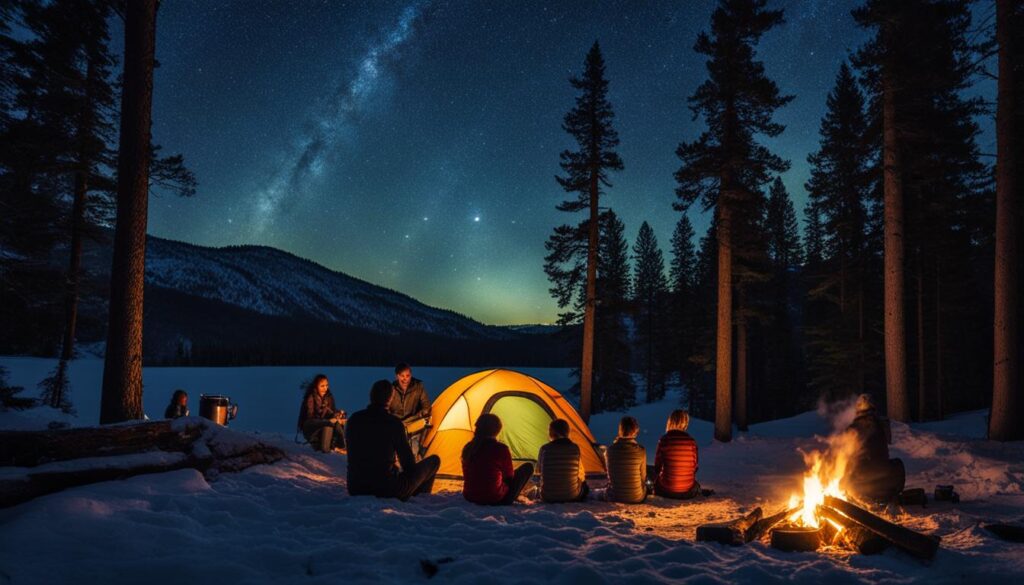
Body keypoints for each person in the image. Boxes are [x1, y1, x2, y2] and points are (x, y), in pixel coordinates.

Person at [345, 379, 441, 501]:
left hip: (355, 487)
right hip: (385, 488)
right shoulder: (393, 423)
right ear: (390, 399)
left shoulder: (354, 420)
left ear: (371, 396)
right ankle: (419, 499)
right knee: (434, 461)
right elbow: (409, 465)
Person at [461, 413, 534, 505]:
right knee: (528, 467)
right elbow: (509, 476)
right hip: (495, 498)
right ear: (497, 430)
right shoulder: (501, 448)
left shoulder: (468, 447)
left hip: (470, 496)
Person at [846, 393, 905, 502]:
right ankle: (890, 492)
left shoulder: (851, 428)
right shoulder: (882, 424)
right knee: (898, 464)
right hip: (884, 476)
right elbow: (888, 441)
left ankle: (859, 493)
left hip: (860, 481)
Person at [653, 409, 701, 499]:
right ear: (686, 423)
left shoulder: (664, 440)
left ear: (670, 421)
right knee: (697, 485)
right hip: (687, 490)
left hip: (666, 490)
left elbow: (657, 467)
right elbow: (695, 467)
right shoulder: (692, 442)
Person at [537, 418, 589, 503]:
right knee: (585, 486)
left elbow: (538, 471)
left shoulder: (544, 448)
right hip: (572, 496)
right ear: (568, 432)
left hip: (547, 496)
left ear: (551, 432)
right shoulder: (575, 448)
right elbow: (580, 473)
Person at [390, 363, 432, 457]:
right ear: (397, 376)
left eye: (408, 376)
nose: (405, 379)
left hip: (414, 424)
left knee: (413, 449)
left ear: (411, 375)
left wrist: (420, 415)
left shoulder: (418, 387)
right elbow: (387, 408)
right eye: (402, 376)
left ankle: (414, 462)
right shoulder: (392, 389)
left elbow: (426, 406)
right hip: (397, 425)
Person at [296, 374, 346, 453]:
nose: (325, 388)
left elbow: (332, 411)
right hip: (310, 427)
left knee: (336, 422)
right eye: (322, 386)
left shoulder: (329, 397)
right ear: (316, 386)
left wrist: (338, 415)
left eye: (327, 385)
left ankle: (341, 446)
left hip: (324, 424)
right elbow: (310, 418)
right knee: (328, 424)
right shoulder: (311, 397)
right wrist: (328, 421)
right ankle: (325, 450)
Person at [605, 416, 647, 504]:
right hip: (637, 497)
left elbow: (610, 475)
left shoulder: (610, 450)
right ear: (635, 430)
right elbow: (643, 477)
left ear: (620, 429)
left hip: (615, 496)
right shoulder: (641, 450)